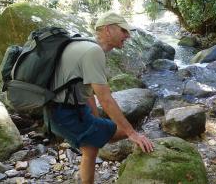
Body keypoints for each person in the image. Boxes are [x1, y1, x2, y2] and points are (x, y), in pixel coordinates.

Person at [47, 11, 154, 184]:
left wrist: (95, 120)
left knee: (91, 149)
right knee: (113, 134)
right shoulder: (93, 51)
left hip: (59, 109)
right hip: (65, 113)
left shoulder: (84, 44)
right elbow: (105, 98)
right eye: (123, 30)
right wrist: (132, 133)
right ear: (108, 29)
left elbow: (87, 90)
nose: (128, 35)